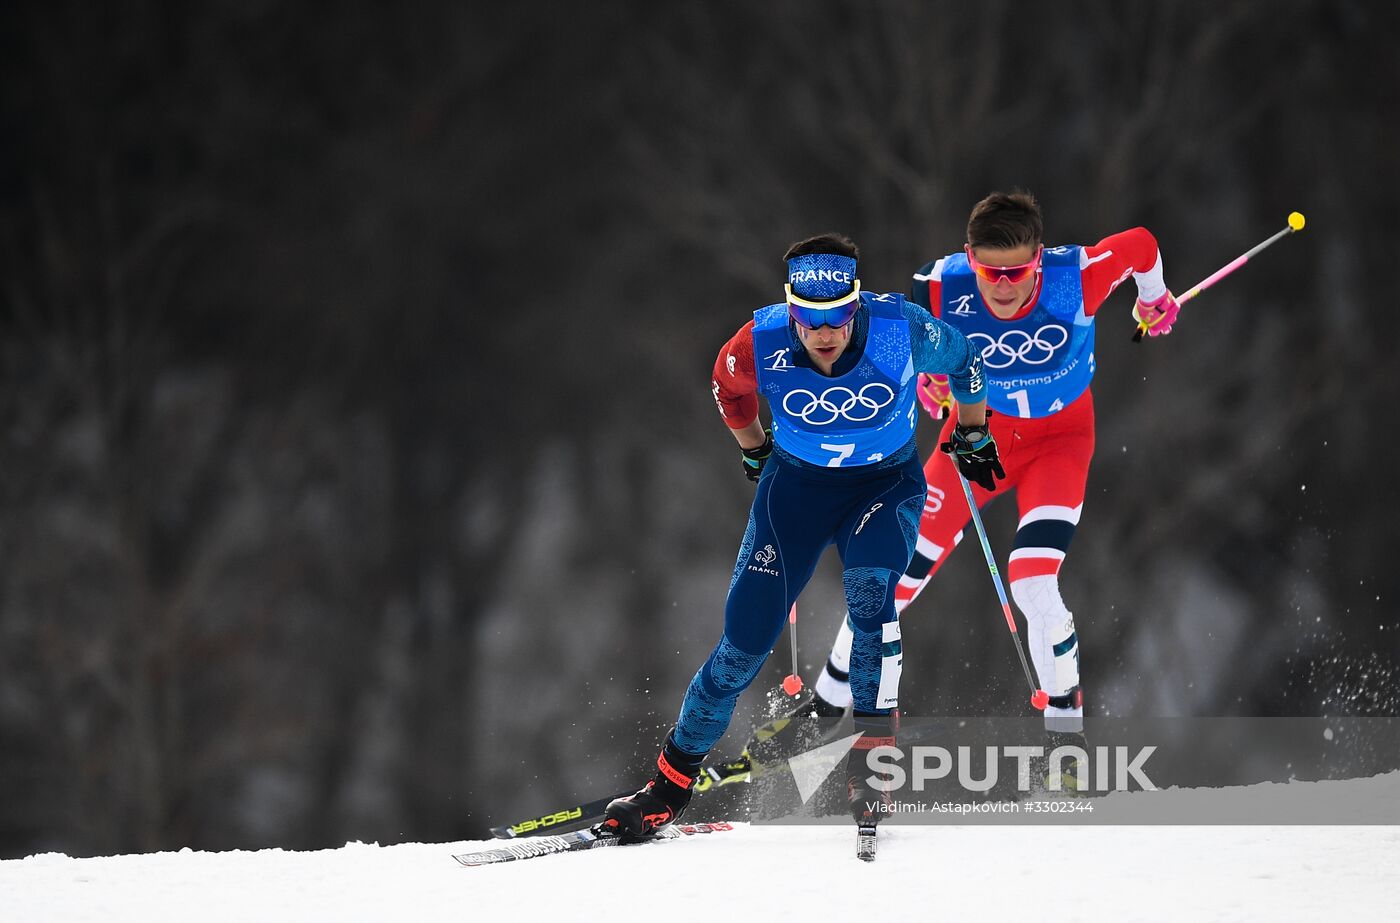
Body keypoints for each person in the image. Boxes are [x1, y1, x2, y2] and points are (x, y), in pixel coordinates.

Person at [596, 232, 1000, 840]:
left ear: (856, 301)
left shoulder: (900, 327)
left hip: (884, 489)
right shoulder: (756, 342)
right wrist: (755, 448)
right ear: (791, 309)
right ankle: (667, 788)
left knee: (870, 604)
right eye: (810, 318)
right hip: (797, 492)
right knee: (743, 644)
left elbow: (967, 360)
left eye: (839, 313)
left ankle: (871, 773)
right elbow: (726, 388)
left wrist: (970, 433)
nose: (825, 331)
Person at [801, 191, 1180, 790]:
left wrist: (1154, 297)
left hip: (1060, 441)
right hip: (977, 438)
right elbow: (902, 349)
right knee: (889, 574)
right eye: (988, 272)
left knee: (1032, 578)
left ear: (1038, 259)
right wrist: (928, 378)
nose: (1002, 287)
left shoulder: (1075, 279)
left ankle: (1066, 740)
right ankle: (821, 711)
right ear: (969, 258)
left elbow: (1140, 245)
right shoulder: (940, 288)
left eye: (1017, 273)